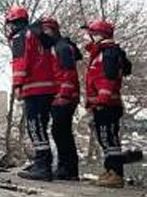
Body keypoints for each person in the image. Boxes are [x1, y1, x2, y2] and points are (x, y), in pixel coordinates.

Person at [84, 19, 138, 188]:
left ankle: (116, 174)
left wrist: (102, 100)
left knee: (109, 138)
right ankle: (110, 170)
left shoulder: (108, 54)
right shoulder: (103, 53)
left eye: (92, 34)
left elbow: (107, 80)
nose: (89, 37)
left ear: (100, 35)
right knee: (105, 138)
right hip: (104, 104)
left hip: (106, 105)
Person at [9, 6, 58, 181]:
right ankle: (42, 162)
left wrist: (17, 85)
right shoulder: (40, 36)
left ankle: (43, 166)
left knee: (35, 127)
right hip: (48, 88)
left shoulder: (21, 36)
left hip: (34, 87)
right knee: (41, 126)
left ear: (13, 23)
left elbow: (20, 61)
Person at [45, 17, 82, 180]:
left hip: (65, 97)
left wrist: (64, 94)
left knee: (61, 131)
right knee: (60, 131)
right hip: (61, 95)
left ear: (53, 30)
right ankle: (65, 167)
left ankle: (68, 168)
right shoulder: (57, 47)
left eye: (46, 30)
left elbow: (68, 73)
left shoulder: (62, 48)